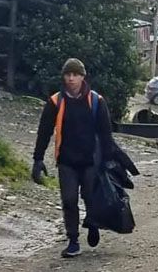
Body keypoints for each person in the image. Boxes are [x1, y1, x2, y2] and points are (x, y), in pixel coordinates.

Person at [32, 58, 115, 258]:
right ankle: (73, 240)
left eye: (75, 75)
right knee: (69, 200)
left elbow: (106, 134)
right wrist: (38, 159)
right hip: (66, 160)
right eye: (68, 75)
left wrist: (108, 159)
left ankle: (93, 223)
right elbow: (44, 132)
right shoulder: (55, 102)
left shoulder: (96, 101)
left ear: (82, 77)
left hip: (90, 160)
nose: (71, 79)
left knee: (90, 197)